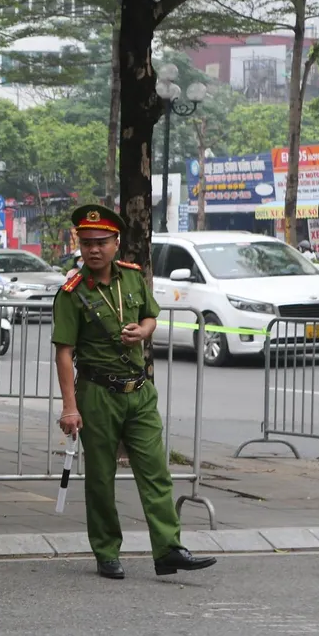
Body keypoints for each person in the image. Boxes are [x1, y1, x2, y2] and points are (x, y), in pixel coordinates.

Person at [53, 204, 217, 581]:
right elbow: (64, 352)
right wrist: (69, 407)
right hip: (96, 393)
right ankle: (107, 551)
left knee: (155, 471)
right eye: (87, 243)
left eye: (102, 242)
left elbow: (150, 315)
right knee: (100, 478)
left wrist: (145, 331)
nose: (94, 250)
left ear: (116, 242)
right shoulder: (72, 294)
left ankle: (168, 549)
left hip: (139, 392)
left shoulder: (132, 278)